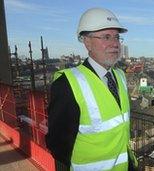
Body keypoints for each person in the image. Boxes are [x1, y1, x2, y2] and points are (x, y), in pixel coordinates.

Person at [45, 7, 138, 171]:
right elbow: (58, 145)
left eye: (117, 37)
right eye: (106, 37)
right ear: (87, 42)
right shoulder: (68, 84)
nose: (115, 43)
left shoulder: (120, 76)